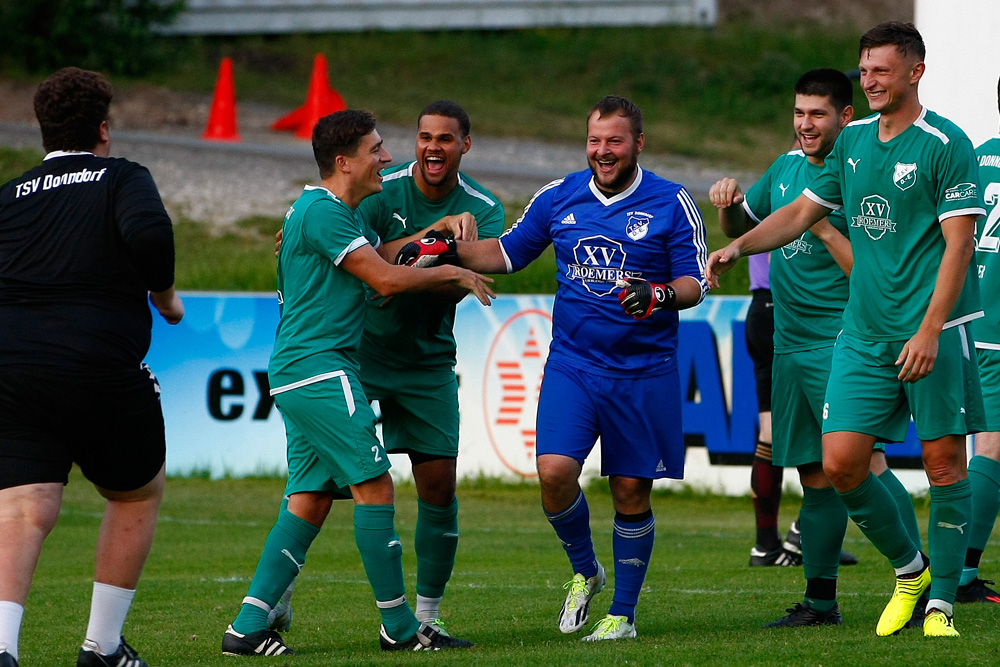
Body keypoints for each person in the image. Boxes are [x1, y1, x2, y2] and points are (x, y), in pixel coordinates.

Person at [706, 22, 986, 638]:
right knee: (841, 463)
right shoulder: (853, 141)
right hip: (862, 334)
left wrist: (931, 330)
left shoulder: (946, 143)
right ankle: (910, 570)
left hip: (931, 330)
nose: (870, 81)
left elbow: (958, 248)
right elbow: (804, 211)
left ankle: (940, 601)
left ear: (915, 72)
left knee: (943, 466)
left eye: (881, 71)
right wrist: (738, 247)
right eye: (864, 71)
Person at [221, 109, 495, 656]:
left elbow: (384, 255)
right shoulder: (322, 213)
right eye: (376, 150)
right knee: (376, 487)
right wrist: (452, 269)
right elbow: (387, 279)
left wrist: (435, 235)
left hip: (303, 371)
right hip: (321, 368)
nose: (387, 158)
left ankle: (247, 629)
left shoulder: (326, 213)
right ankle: (400, 628)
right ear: (344, 161)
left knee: (308, 499)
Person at [454, 95, 708, 641]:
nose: (603, 152)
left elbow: (697, 282)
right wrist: (447, 250)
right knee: (553, 473)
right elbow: (505, 253)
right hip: (573, 366)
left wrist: (659, 292)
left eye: (615, 141)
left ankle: (623, 614)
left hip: (644, 372)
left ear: (638, 143)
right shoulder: (559, 196)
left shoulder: (671, 202)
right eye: (595, 141)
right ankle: (585, 568)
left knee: (631, 492)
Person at [710, 68, 922, 628]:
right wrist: (729, 211)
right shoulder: (783, 168)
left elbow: (872, 275)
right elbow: (748, 221)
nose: (806, 124)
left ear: (845, 117)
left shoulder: (862, 176)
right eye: (799, 112)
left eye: (818, 114)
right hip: (789, 343)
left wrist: (825, 229)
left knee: (862, 467)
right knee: (817, 476)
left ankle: (920, 575)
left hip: (842, 343)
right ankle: (823, 602)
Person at [0, 67, 184, 667]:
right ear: (103, 130)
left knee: (25, 505)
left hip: (14, 369)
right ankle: (102, 647)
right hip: (97, 363)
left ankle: (3, 646)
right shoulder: (122, 178)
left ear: (43, 132)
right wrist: (162, 294)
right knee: (136, 493)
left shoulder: (11, 194)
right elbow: (151, 236)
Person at [959, 76, 1000, 605]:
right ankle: (961, 575)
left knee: (983, 448)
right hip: (997, 332)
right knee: (991, 447)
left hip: (972, 325)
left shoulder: (973, 158)